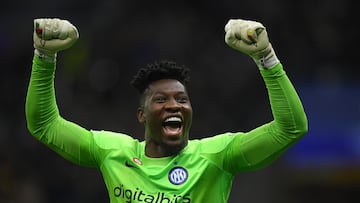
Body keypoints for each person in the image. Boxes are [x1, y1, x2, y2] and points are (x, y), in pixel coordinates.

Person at [26, 18, 308, 203]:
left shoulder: (217, 156)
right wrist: (44, 56)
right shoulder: (114, 152)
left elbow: (291, 128)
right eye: (161, 100)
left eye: (182, 100)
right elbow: (44, 124)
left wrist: (265, 57)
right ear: (142, 115)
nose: (174, 105)